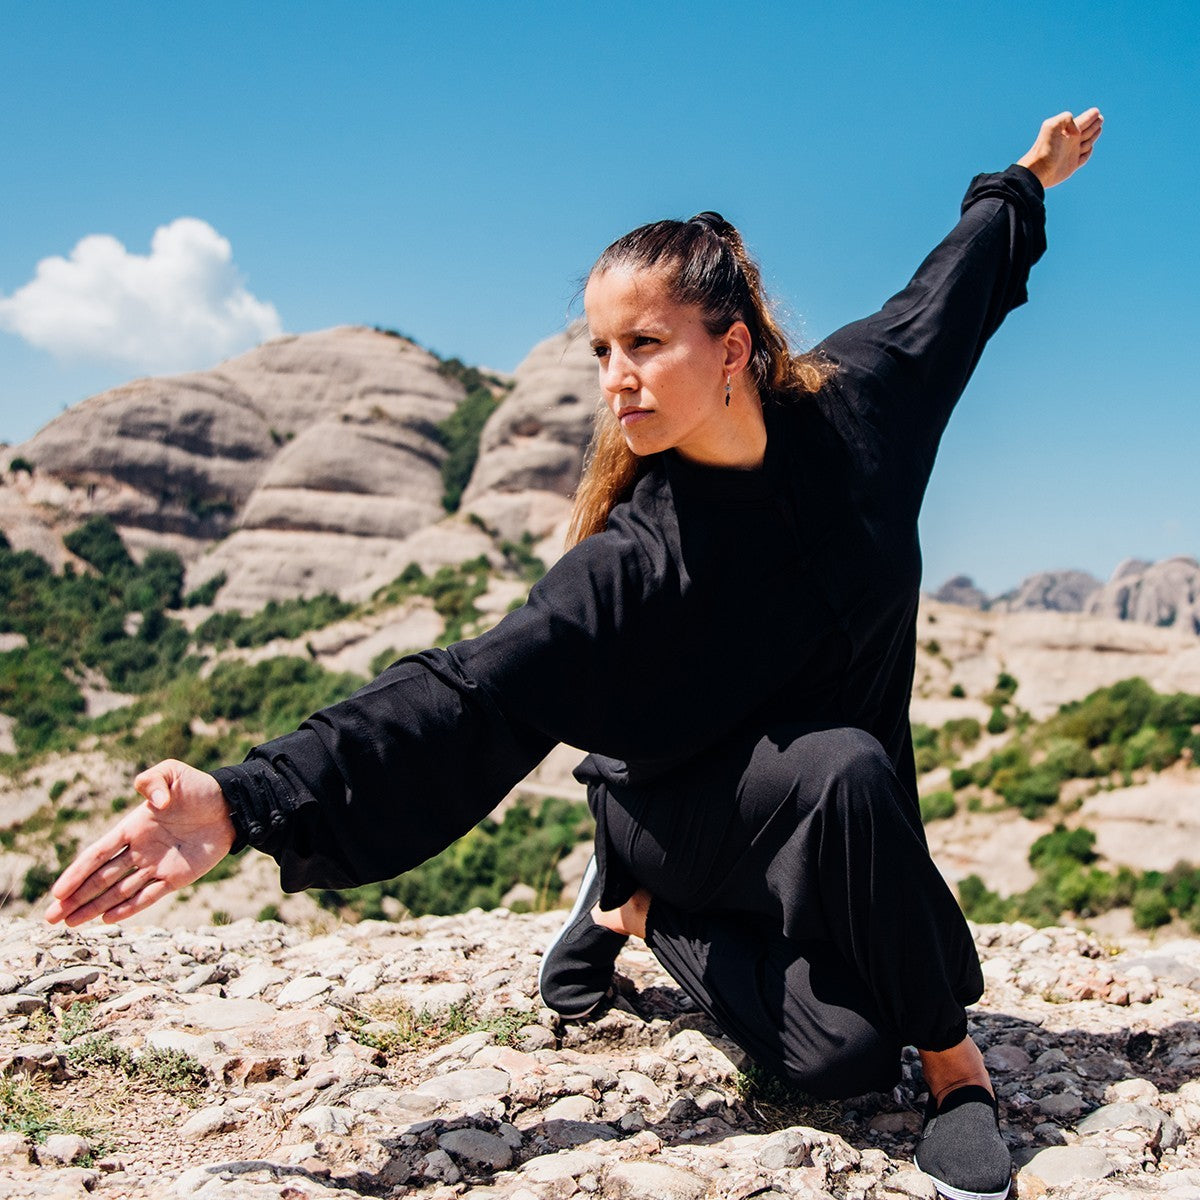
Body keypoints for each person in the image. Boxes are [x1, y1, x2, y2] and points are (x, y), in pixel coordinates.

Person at [46, 109, 1103, 1200]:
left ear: (733, 345)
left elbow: (952, 283)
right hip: (690, 806)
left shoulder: (865, 403)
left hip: (830, 819)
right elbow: (465, 688)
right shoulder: (634, 559)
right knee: (846, 771)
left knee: (833, 1051)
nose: (616, 380)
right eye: (602, 351)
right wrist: (245, 799)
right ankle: (948, 1068)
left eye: (645, 344)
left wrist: (1028, 177)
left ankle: (636, 914)